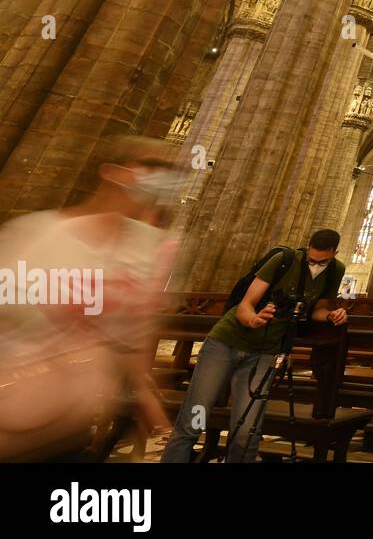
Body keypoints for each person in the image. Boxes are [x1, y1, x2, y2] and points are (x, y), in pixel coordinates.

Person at [0, 135, 182, 461]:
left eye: (169, 169)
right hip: (11, 426)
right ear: (111, 172)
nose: (163, 177)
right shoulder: (40, 233)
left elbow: (133, 346)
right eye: (152, 165)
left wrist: (155, 419)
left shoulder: (148, 249)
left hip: (72, 431)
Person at [160, 229, 347, 463]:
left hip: (264, 353)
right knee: (196, 415)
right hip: (226, 344)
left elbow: (318, 309)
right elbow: (245, 305)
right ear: (307, 248)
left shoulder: (335, 271)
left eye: (323, 261)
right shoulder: (284, 260)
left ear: (334, 253)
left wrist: (332, 315)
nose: (316, 265)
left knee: (248, 428)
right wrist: (254, 319)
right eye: (312, 260)